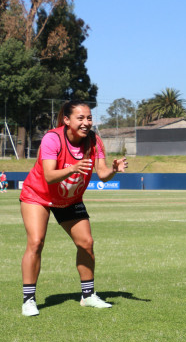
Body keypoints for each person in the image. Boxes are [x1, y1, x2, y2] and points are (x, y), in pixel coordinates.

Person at [19, 100, 127, 317]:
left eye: (89, 118)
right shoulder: (53, 138)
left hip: (70, 199)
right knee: (36, 242)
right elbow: (49, 176)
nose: (86, 122)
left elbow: (102, 174)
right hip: (38, 196)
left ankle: (88, 296)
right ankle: (28, 300)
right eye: (81, 118)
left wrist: (114, 170)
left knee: (86, 243)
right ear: (67, 120)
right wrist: (74, 168)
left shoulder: (94, 140)